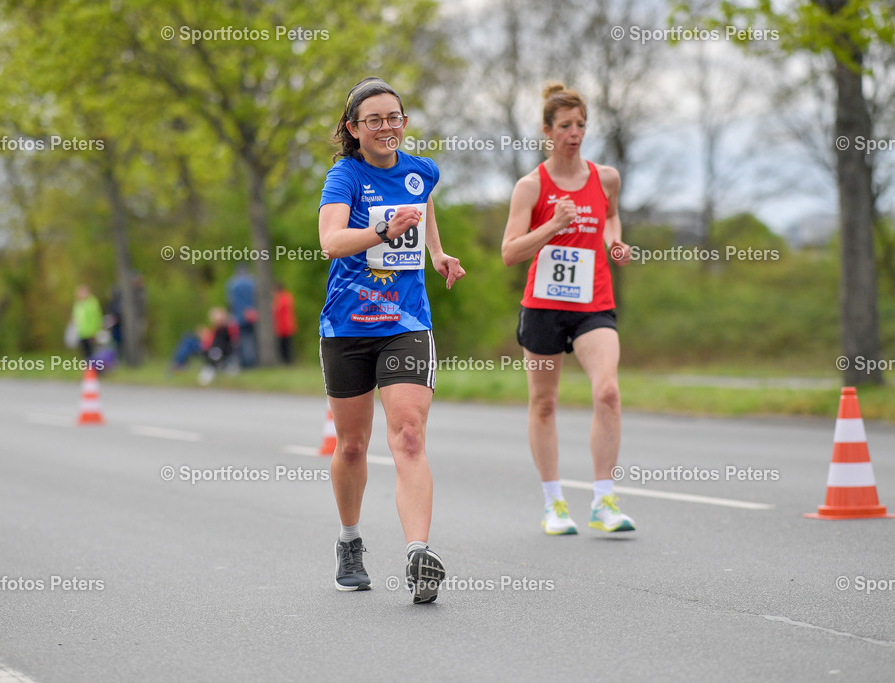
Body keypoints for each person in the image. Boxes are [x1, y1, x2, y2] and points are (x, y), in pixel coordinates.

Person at [318, 77, 465, 603]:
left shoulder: (422, 170)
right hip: (347, 327)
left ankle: (418, 553)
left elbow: (421, 209)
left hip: (406, 324)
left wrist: (437, 254)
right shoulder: (344, 177)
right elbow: (332, 242)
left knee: (407, 435)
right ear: (354, 130)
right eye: (374, 120)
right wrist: (381, 233)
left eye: (394, 117)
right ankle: (350, 540)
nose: (387, 127)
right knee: (352, 445)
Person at [500, 83, 636, 536]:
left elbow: (611, 216)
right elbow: (509, 252)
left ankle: (604, 500)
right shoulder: (531, 186)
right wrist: (552, 225)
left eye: (581, 125)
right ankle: (554, 503)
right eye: (565, 126)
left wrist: (613, 241)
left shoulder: (606, 177)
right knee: (544, 403)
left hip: (593, 303)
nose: (574, 134)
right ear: (547, 131)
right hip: (542, 306)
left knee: (609, 393)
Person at [225, 264, 258, 368]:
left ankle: (246, 363)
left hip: (239, 316)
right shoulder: (254, 281)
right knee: (253, 339)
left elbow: (230, 302)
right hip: (254, 315)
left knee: (242, 339)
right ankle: (252, 361)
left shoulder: (232, 284)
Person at [71, 284, 103, 360]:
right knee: (85, 352)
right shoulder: (78, 304)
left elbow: (97, 317)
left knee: (92, 352)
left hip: (91, 332)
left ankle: (94, 369)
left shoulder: (92, 302)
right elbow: (75, 318)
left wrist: (96, 330)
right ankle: (87, 368)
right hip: (81, 332)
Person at [272, 282, 297, 365]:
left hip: (285, 325)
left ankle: (288, 361)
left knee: (286, 345)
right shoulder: (287, 296)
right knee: (284, 344)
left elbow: (277, 309)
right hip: (284, 325)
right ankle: (286, 360)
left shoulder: (282, 298)